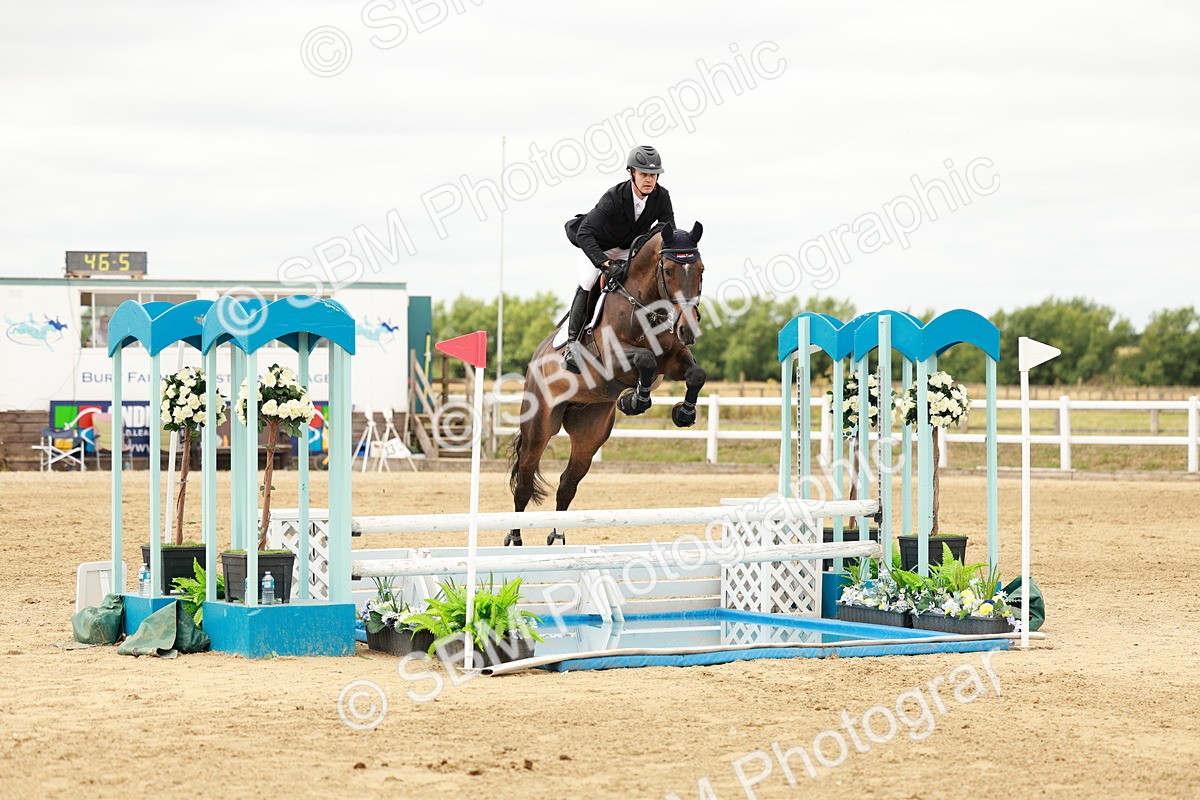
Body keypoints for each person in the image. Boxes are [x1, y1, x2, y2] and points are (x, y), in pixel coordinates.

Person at [561, 144, 675, 373]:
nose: (649, 180)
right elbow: (585, 233)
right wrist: (604, 263)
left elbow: (668, 232)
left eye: (653, 175)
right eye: (644, 174)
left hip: (627, 248)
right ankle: (573, 344)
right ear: (631, 173)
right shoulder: (614, 197)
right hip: (595, 244)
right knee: (588, 279)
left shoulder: (661, 197)